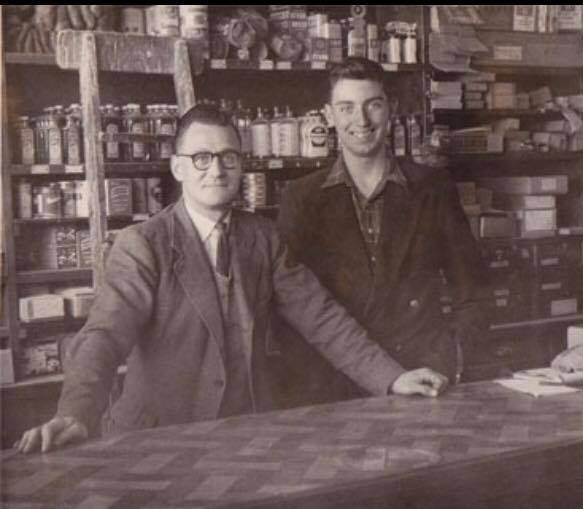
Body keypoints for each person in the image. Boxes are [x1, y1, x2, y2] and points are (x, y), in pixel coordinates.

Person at [16, 104, 448, 454]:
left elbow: (321, 317)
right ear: (177, 168)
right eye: (201, 158)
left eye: (229, 157)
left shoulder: (260, 235)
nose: (216, 170)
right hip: (155, 443)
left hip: (245, 434)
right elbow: (105, 335)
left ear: (242, 166)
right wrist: (75, 412)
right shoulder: (142, 243)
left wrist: (391, 378)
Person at [277, 57, 488, 405]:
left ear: (391, 109)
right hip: (334, 386)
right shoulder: (302, 198)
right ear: (329, 116)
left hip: (424, 377)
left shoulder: (431, 188)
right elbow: (295, 307)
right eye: (346, 107)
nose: (360, 121)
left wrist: (454, 357)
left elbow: (473, 289)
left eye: (372, 105)